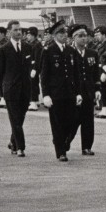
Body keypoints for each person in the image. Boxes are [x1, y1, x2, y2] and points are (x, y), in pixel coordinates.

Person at [40, 20, 79, 162]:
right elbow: (44, 75)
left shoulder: (71, 51)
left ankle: (64, 141)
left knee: (73, 120)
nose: (64, 35)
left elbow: (76, 74)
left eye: (65, 33)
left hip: (70, 92)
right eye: (60, 33)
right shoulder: (48, 51)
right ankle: (61, 151)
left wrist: (78, 92)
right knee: (57, 123)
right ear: (55, 35)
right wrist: (46, 95)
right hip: (55, 93)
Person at [0, 20, 33, 157]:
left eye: (20, 30)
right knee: (15, 118)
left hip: (25, 88)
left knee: (21, 117)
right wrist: (8, 82)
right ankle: (20, 147)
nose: (19, 32)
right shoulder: (4, 49)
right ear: (9, 32)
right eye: (16, 30)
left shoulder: (28, 47)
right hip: (11, 89)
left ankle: (13, 141)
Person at [71, 25, 101, 156]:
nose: (84, 39)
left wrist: (98, 88)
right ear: (73, 38)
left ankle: (87, 146)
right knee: (73, 120)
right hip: (74, 93)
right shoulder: (69, 53)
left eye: (85, 36)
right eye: (80, 36)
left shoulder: (92, 54)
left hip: (88, 92)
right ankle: (65, 142)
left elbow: (96, 73)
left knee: (88, 120)